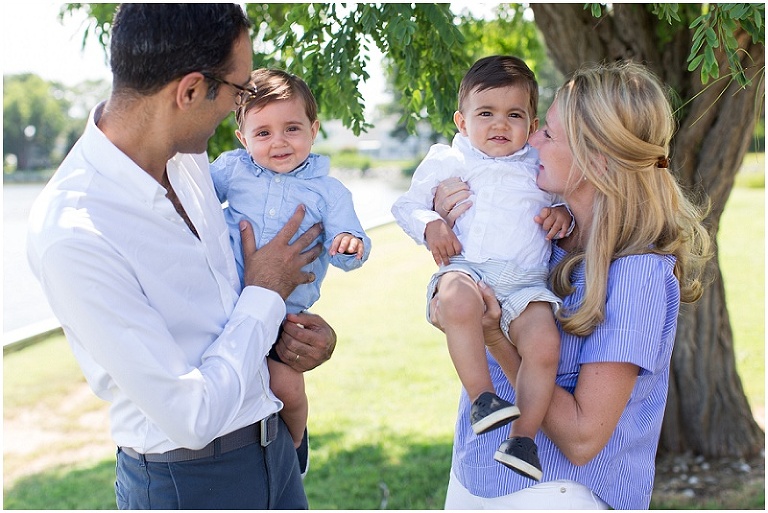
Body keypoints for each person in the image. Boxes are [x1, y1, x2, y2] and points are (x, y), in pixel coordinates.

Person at [26, 4, 338, 509]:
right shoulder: (75, 234)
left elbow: (225, 313)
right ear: (191, 90)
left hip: (274, 448)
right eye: (240, 91)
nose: (239, 107)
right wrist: (265, 293)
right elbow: (189, 415)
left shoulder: (190, 160)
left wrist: (286, 337)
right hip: (191, 484)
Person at [433, 61, 712, 509]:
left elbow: (583, 439)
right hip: (475, 473)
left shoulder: (636, 273)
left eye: (550, 133)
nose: (533, 137)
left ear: (595, 157)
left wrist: (493, 334)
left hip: (554, 494)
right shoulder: (548, 237)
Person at [391, 55, 573, 481]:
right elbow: (406, 205)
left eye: (514, 115)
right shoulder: (449, 159)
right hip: (467, 269)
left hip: (525, 282)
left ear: (531, 126)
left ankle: (523, 439)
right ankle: (483, 398)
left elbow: (560, 199)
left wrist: (562, 212)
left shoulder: (537, 165)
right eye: (485, 114)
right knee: (455, 301)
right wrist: (431, 224)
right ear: (461, 120)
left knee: (545, 345)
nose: (499, 125)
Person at [210, 67, 371, 454]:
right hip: (227, 304)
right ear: (243, 138)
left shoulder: (328, 191)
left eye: (292, 129)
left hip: (284, 317)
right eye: (263, 133)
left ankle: (295, 445)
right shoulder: (232, 170)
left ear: (314, 130)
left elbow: (350, 239)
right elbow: (191, 205)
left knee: (287, 386)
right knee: (228, 376)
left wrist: (349, 246)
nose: (278, 142)